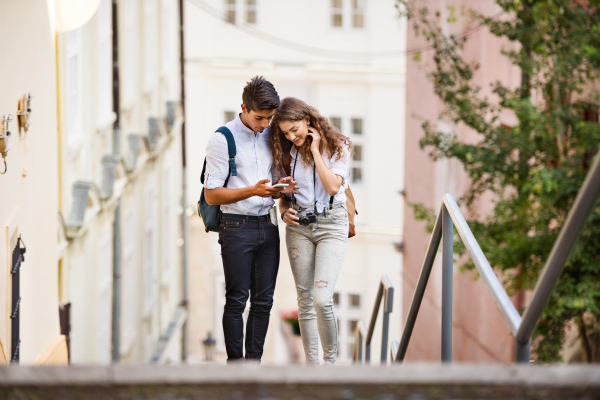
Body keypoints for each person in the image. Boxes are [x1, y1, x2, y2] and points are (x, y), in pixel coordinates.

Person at [203, 76, 296, 363]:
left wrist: (283, 187)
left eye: (269, 118)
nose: (264, 124)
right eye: (259, 118)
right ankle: (235, 368)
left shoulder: (271, 133)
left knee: (263, 302)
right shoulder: (222, 139)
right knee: (236, 301)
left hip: (268, 225)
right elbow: (212, 196)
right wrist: (251, 190)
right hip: (236, 226)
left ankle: (253, 366)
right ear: (243, 107)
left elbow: (276, 177)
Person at [269, 97, 352, 365]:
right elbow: (284, 198)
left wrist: (316, 150)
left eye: (295, 129)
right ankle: (312, 367)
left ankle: (330, 365)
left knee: (322, 298)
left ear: (308, 120)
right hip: (299, 228)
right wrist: (283, 210)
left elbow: (332, 187)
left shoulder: (339, 147)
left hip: (331, 225)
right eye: (285, 133)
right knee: (304, 300)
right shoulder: (285, 154)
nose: (291, 137)